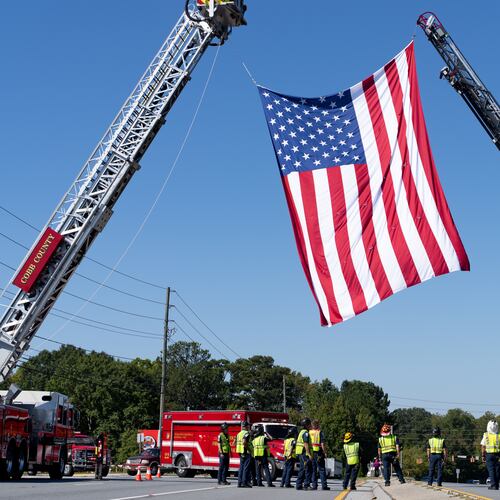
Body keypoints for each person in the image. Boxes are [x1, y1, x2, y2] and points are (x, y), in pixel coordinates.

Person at [309, 419, 330, 490]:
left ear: (312, 425)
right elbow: (322, 444)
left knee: (313, 469)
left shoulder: (309, 432)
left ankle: (314, 485)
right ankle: (324, 486)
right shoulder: (319, 432)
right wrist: (325, 452)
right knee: (321, 469)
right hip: (319, 452)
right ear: (317, 425)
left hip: (312, 452)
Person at [481, 420, 500, 491]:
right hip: (498, 455)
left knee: (491, 470)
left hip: (489, 455)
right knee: (497, 470)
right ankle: (497, 485)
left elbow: (483, 446)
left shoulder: (486, 435)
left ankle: (493, 485)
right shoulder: (499, 436)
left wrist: (483, 456)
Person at [295, 418, 313, 490]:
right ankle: (306, 485)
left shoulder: (302, 431)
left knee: (304, 468)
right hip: (303, 453)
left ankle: (299, 485)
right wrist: (308, 454)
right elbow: (305, 443)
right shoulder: (305, 433)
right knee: (306, 468)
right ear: (307, 425)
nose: (311, 425)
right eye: (310, 424)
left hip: (301, 452)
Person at [236, 421, 252, 488]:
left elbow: (235, 442)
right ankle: (244, 482)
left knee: (241, 468)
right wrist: (249, 449)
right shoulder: (246, 433)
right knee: (246, 468)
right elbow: (244, 442)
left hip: (240, 451)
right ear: (246, 426)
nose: (249, 427)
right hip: (245, 452)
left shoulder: (239, 434)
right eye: (248, 426)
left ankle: (239, 483)